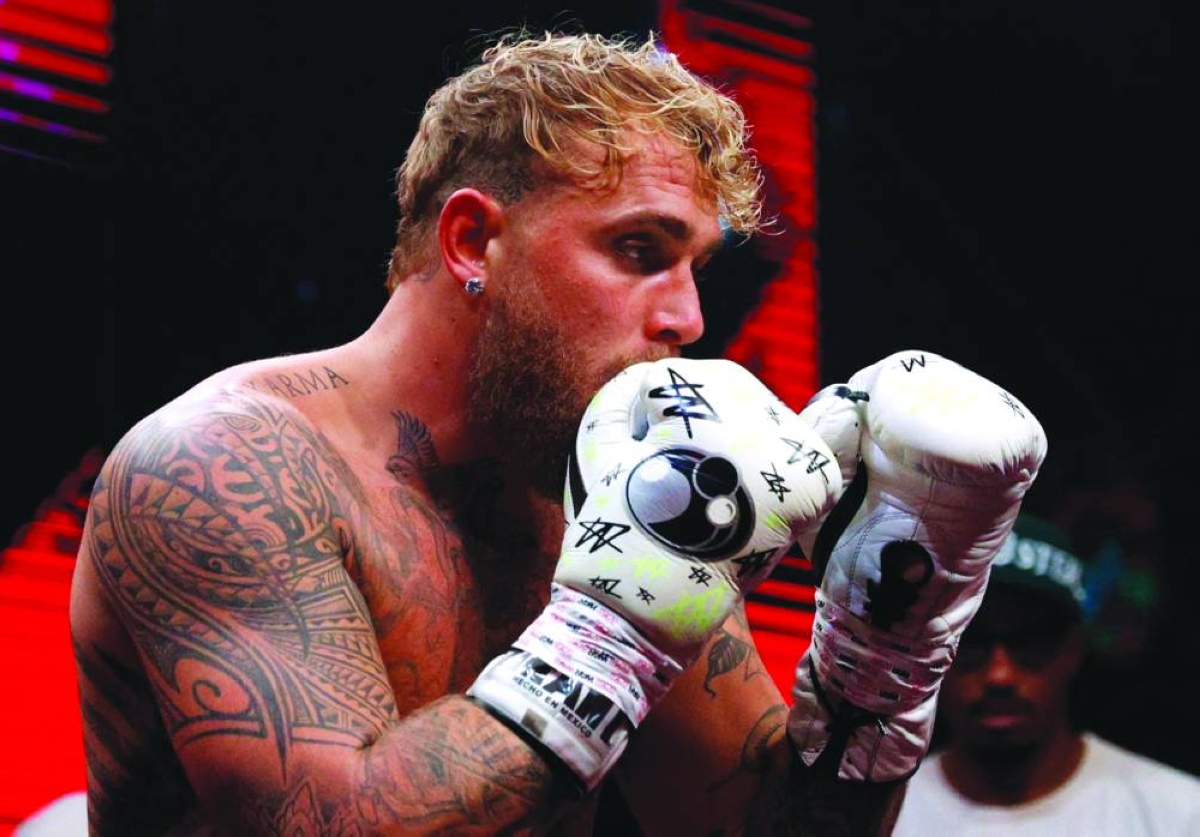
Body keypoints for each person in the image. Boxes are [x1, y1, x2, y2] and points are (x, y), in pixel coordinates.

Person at [69, 31, 1047, 835]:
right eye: (638, 249)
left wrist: (884, 643)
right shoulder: (226, 465)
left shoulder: (598, 484)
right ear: (471, 240)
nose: (688, 319)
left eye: (698, 265)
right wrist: (610, 643)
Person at [893, 513, 1200, 835]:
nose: (1001, 675)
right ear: (929, 654)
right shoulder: (876, 821)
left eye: (1031, 642)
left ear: (1074, 649)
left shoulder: (1180, 817)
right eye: (971, 643)